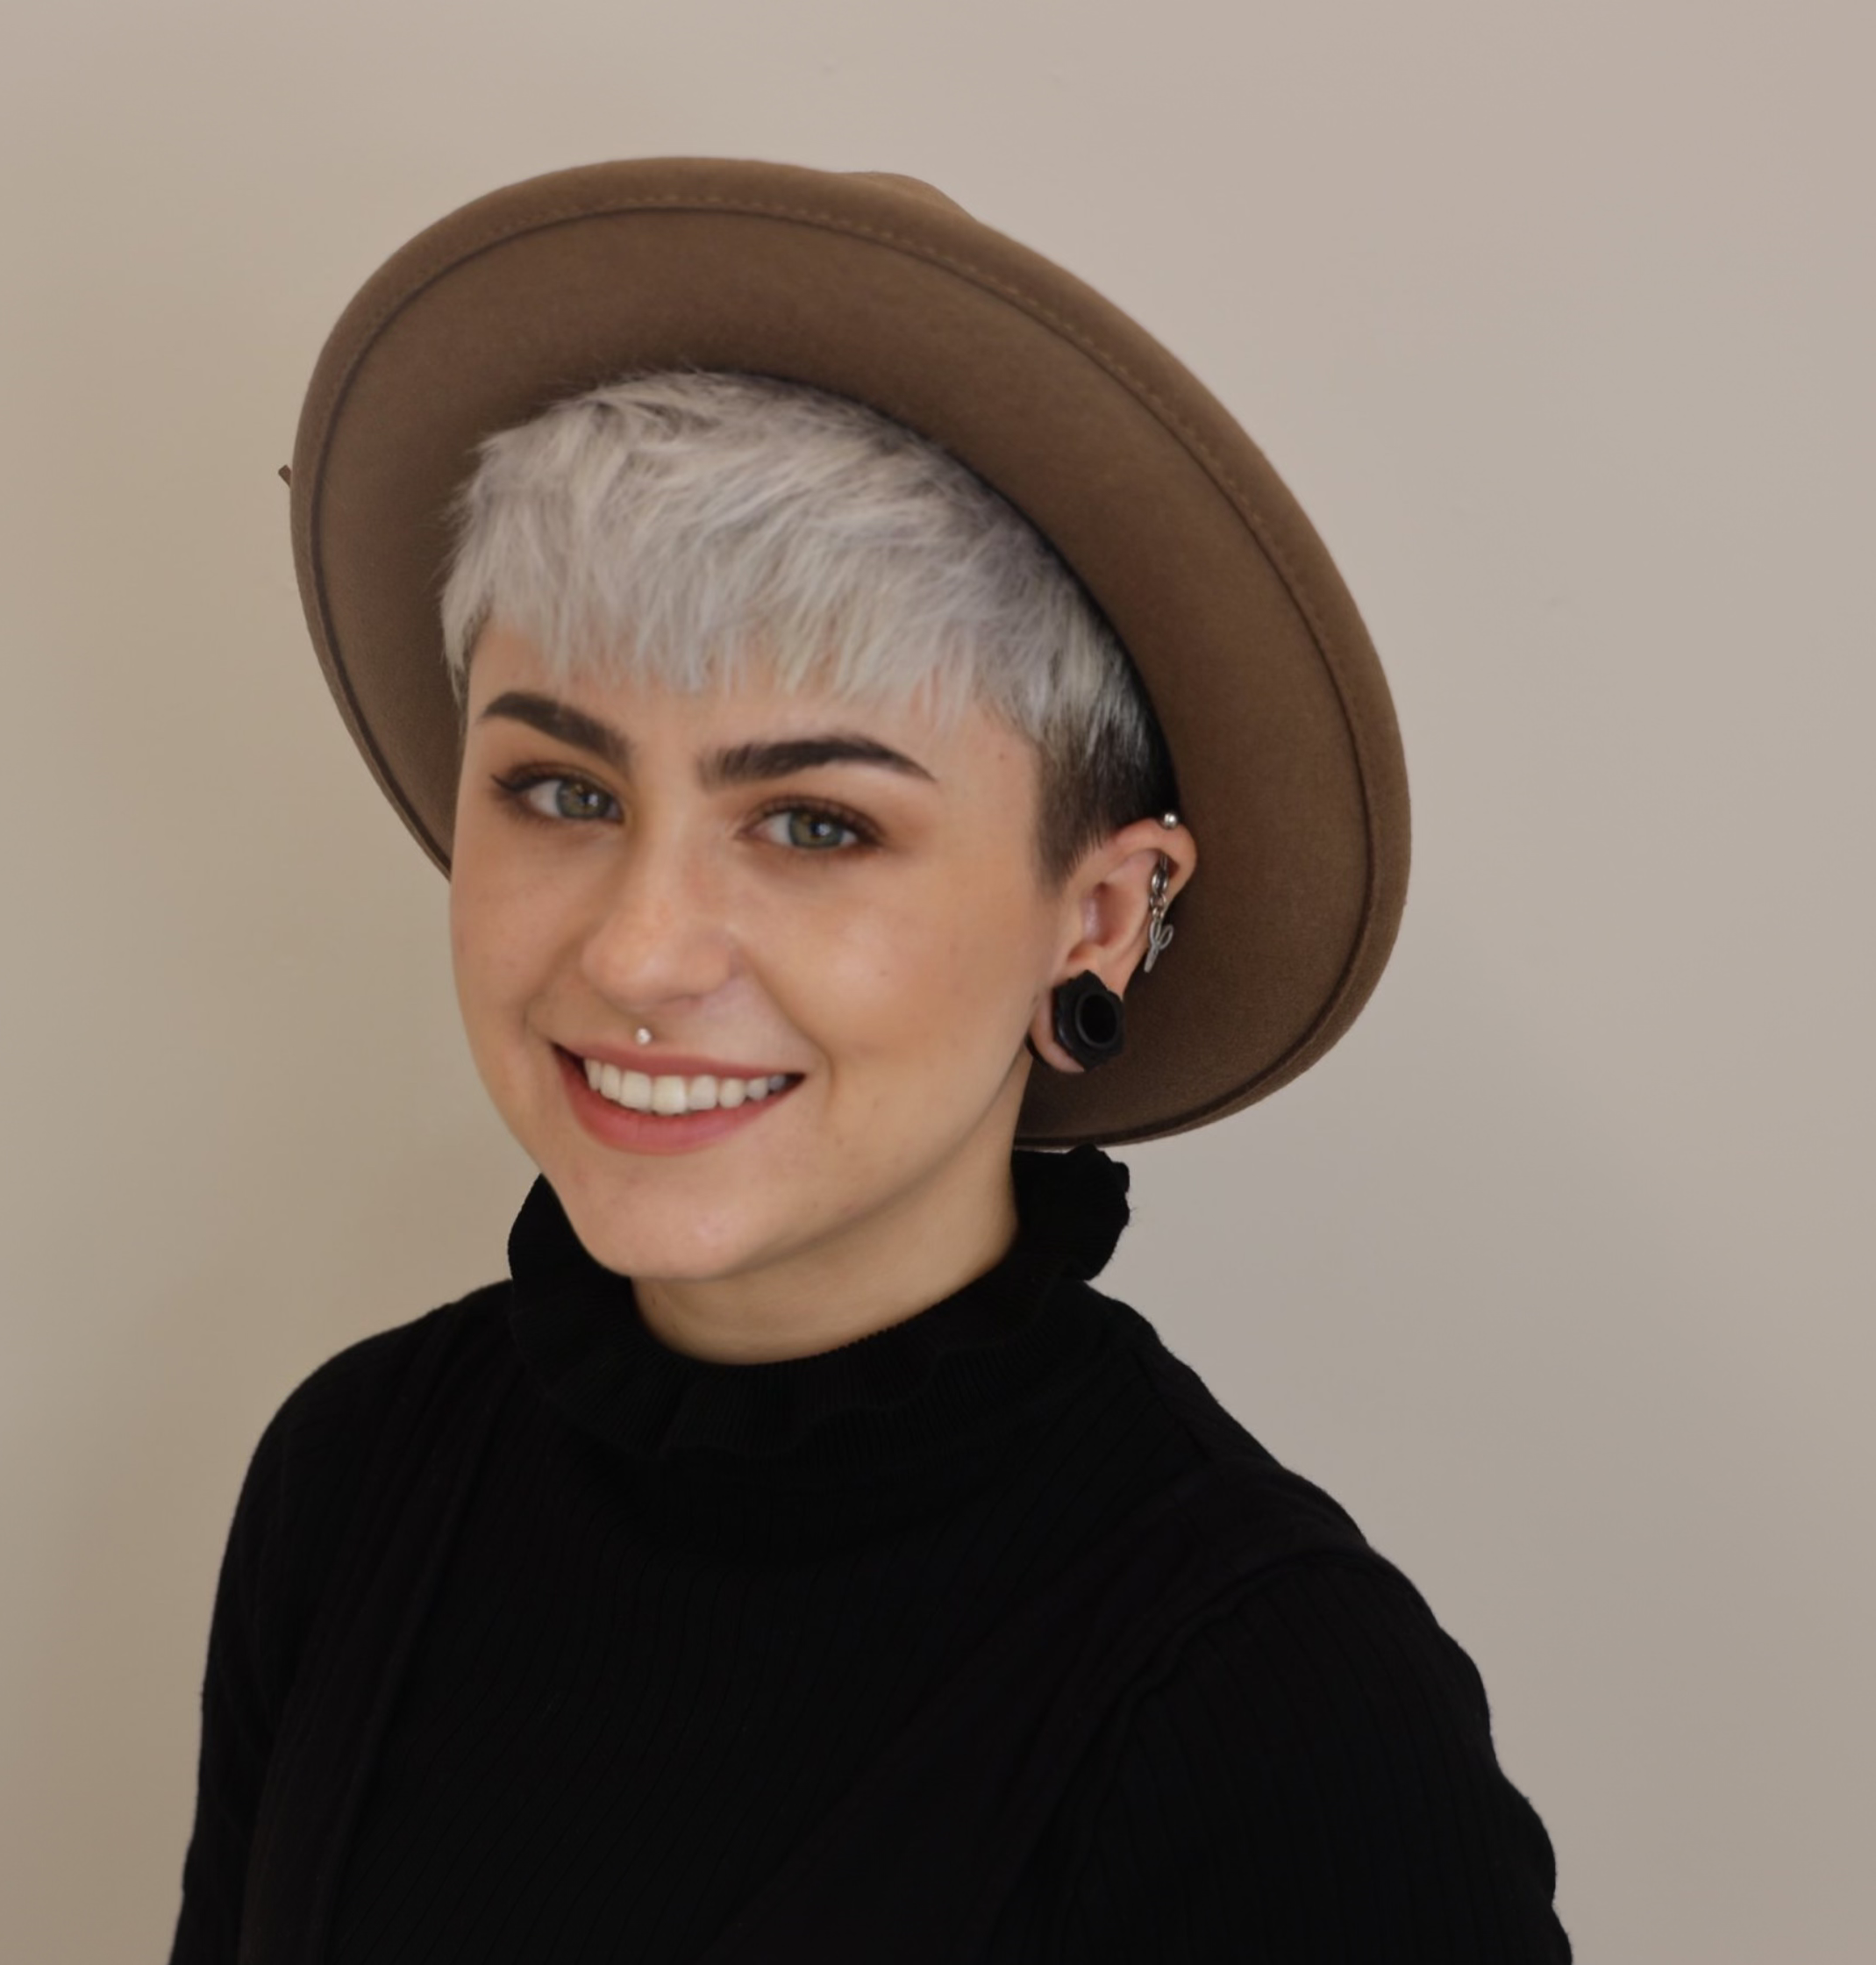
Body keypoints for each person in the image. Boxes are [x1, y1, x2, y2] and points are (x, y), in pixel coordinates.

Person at [171, 159, 1567, 1963]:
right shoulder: (357, 1478)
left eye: (816, 823)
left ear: (1100, 914)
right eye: (563, 790)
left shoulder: (1276, 1717)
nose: (638, 951)